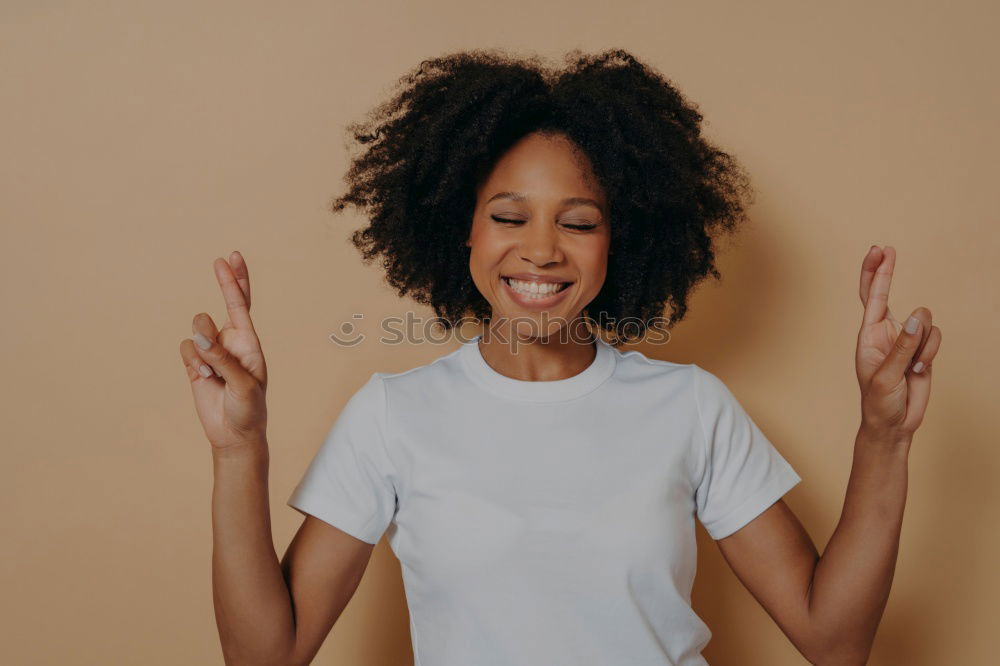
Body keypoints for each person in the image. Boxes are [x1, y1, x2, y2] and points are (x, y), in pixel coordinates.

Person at [179, 49, 942, 666]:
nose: (540, 250)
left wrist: (886, 437)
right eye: (509, 216)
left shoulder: (691, 407)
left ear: (622, 241)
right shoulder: (392, 415)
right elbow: (265, 656)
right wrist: (239, 450)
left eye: (578, 222)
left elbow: (834, 640)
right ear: (463, 231)